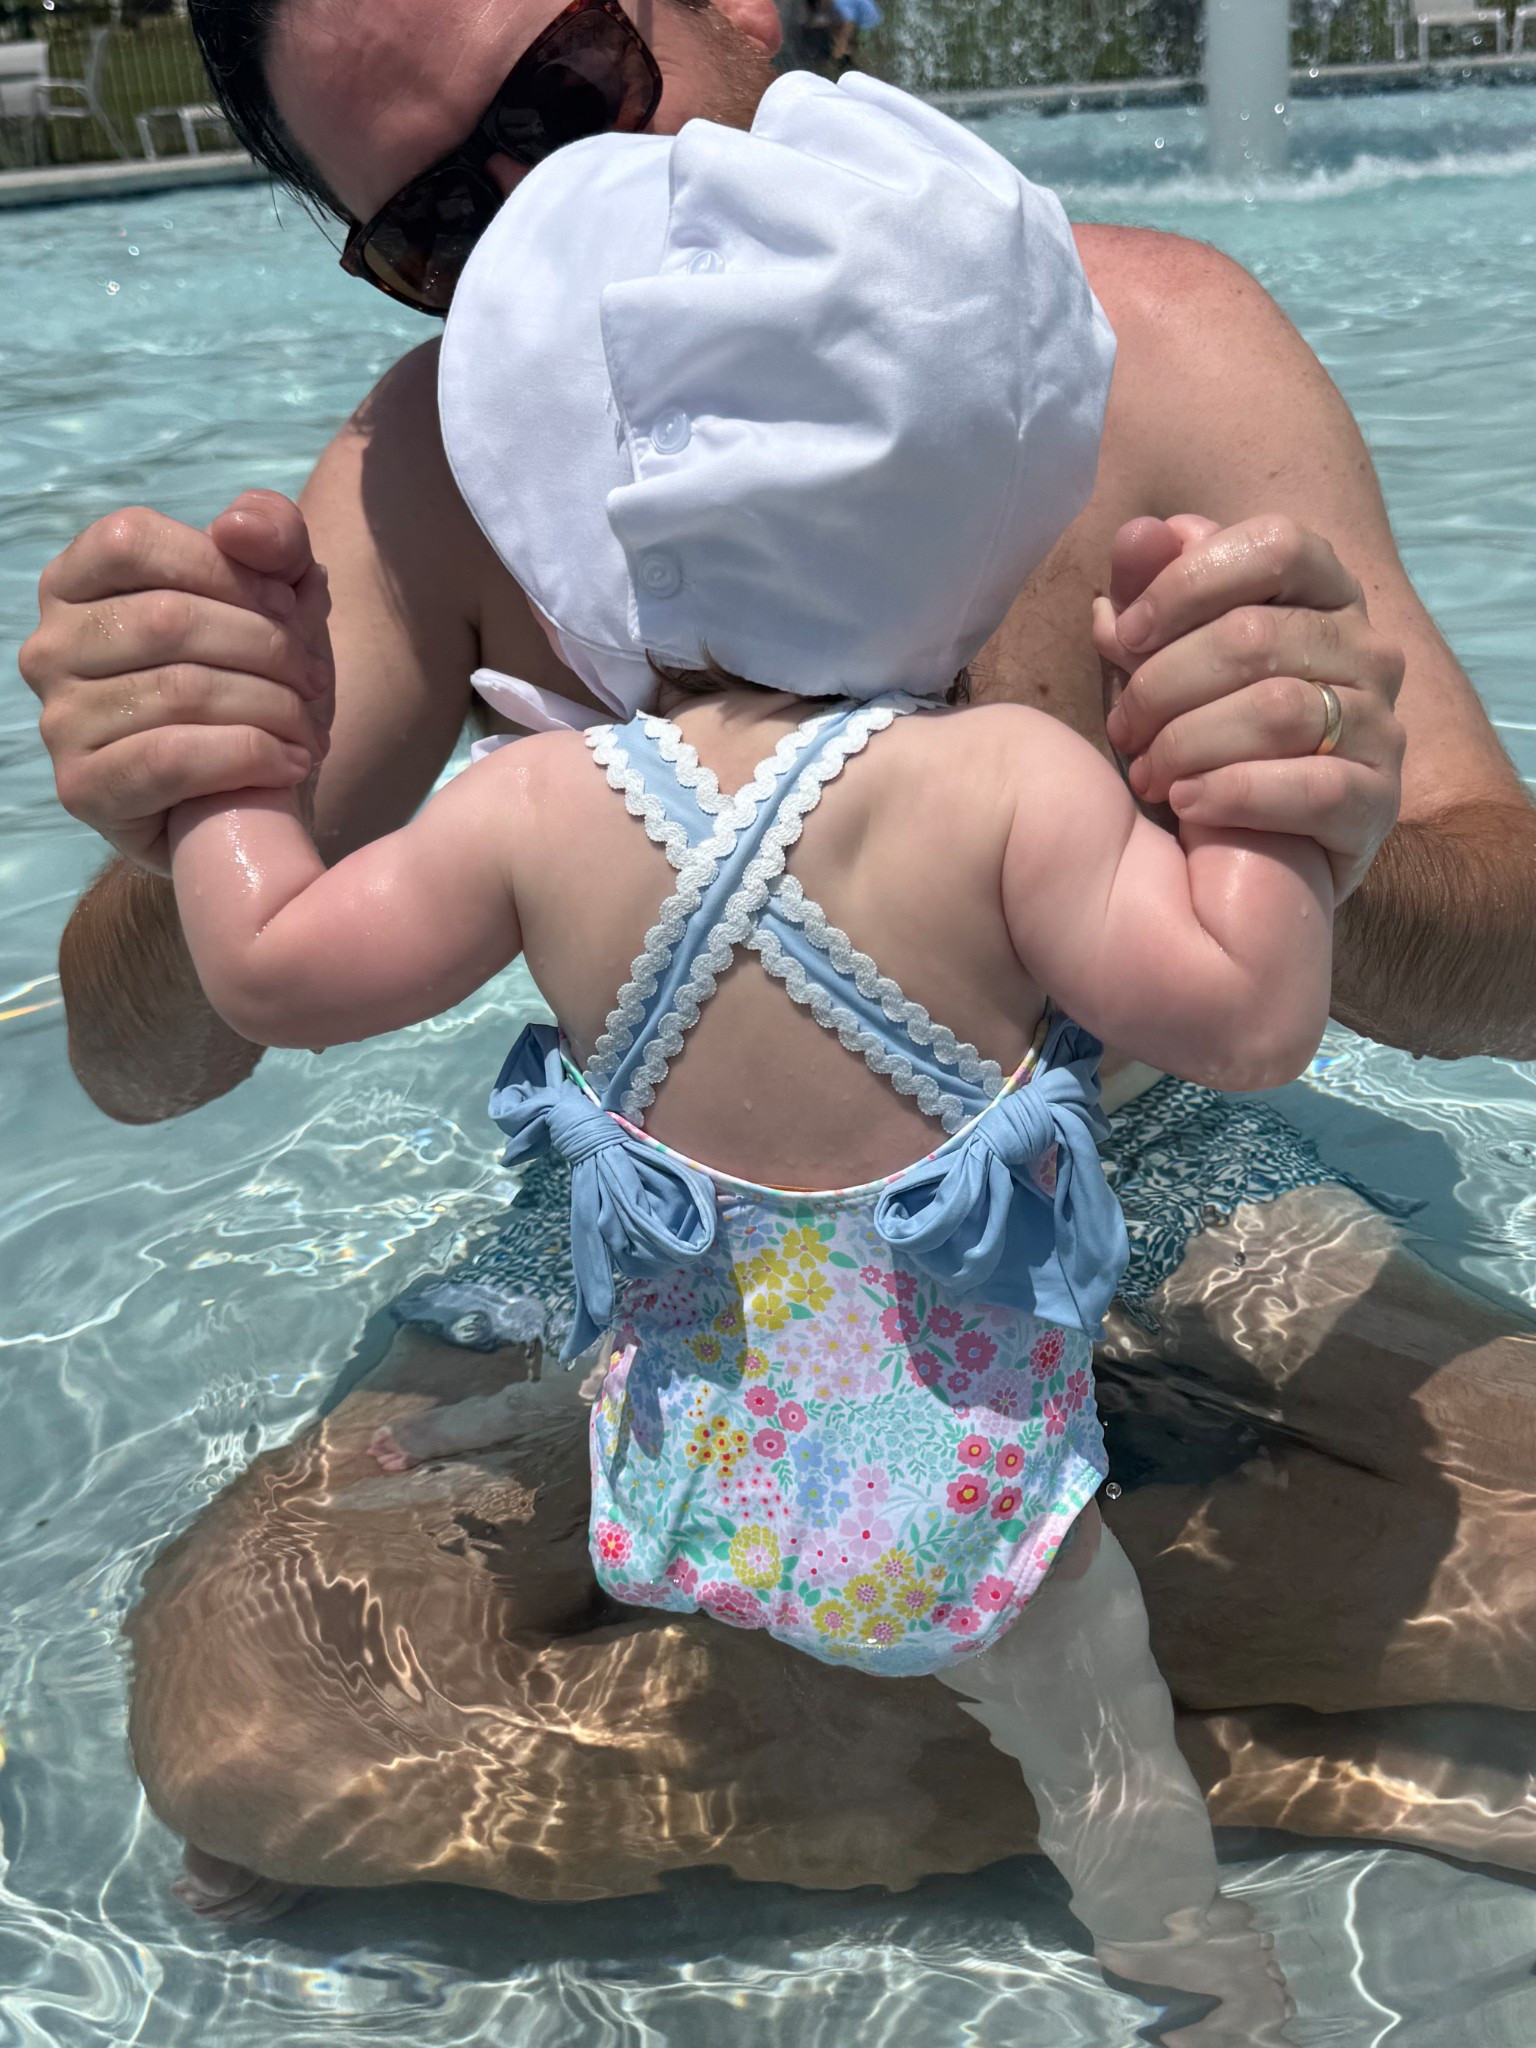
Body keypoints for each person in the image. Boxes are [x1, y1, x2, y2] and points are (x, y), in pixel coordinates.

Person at [18, 0, 1536, 1942]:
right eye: (440, 224)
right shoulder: (439, 476)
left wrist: (1324, 825)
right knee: (265, 1703)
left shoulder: (1150, 351)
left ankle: (896, 1724)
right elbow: (150, 1060)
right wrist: (181, 801)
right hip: (677, 1241)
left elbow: (1507, 979)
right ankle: (1216, 1753)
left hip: (1160, 1180)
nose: (549, 204)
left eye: (567, 94)